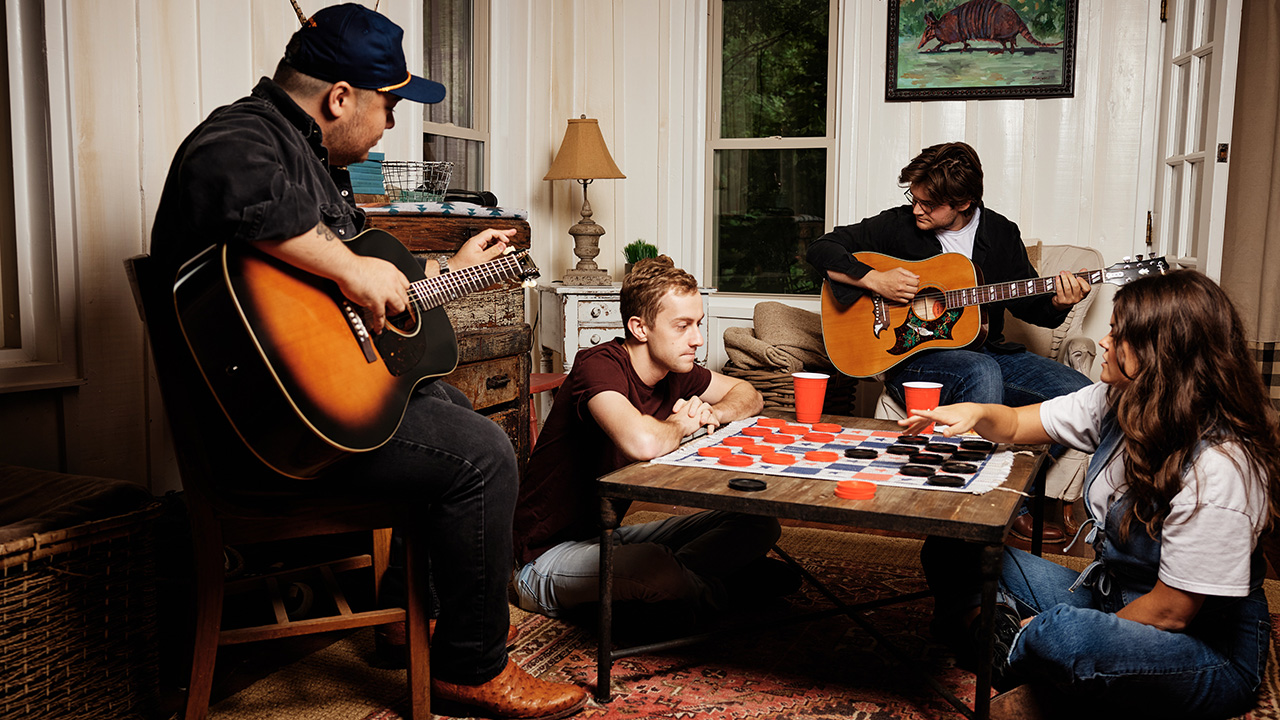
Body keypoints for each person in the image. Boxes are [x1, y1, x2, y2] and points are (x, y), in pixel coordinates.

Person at [148, 5, 587, 719]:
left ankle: (406, 620)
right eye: (387, 107)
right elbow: (227, 177)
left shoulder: (315, 162)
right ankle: (472, 668)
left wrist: (447, 271)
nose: (390, 126)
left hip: (303, 412)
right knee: (480, 454)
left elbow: (351, 301)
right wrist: (351, 270)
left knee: (448, 409)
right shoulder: (243, 133)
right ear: (340, 97)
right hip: (266, 434)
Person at [902, 270, 1280, 718]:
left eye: (1117, 333)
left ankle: (1008, 649)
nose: (1103, 341)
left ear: (1156, 354)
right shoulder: (1117, 397)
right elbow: (1022, 424)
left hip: (1204, 651)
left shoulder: (1220, 467)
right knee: (955, 545)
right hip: (1113, 594)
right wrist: (978, 410)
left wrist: (1045, 633)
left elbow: (1171, 612)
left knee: (1065, 636)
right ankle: (1023, 656)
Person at [806, 141, 1093, 541]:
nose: (917, 209)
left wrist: (1060, 302)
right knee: (981, 370)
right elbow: (822, 248)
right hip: (912, 357)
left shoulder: (1001, 233)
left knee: (1078, 394)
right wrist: (873, 279)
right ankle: (976, 510)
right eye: (914, 198)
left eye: (929, 204)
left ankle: (1014, 494)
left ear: (964, 202)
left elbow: (1031, 308)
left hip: (985, 349)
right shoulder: (898, 225)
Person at [513, 257, 798, 631]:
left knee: (758, 523)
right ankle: (709, 591)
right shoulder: (597, 366)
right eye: (682, 326)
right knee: (653, 567)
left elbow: (749, 395)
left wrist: (717, 413)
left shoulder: (675, 369)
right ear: (640, 328)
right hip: (542, 561)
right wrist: (683, 420)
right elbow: (642, 441)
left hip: (606, 536)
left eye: (697, 324)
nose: (696, 338)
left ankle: (675, 587)